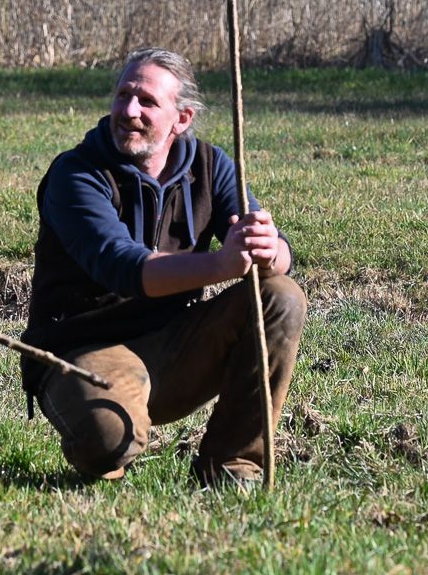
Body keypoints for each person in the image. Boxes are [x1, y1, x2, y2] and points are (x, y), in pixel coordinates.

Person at [22, 48, 306, 490]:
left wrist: (271, 251)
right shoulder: (76, 174)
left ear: (182, 118)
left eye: (147, 102)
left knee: (281, 296)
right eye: (123, 96)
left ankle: (230, 465)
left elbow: (280, 251)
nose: (128, 111)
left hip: (176, 344)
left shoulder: (211, 166)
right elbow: (123, 267)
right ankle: (112, 439)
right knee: (110, 439)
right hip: (84, 350)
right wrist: (222, 263)